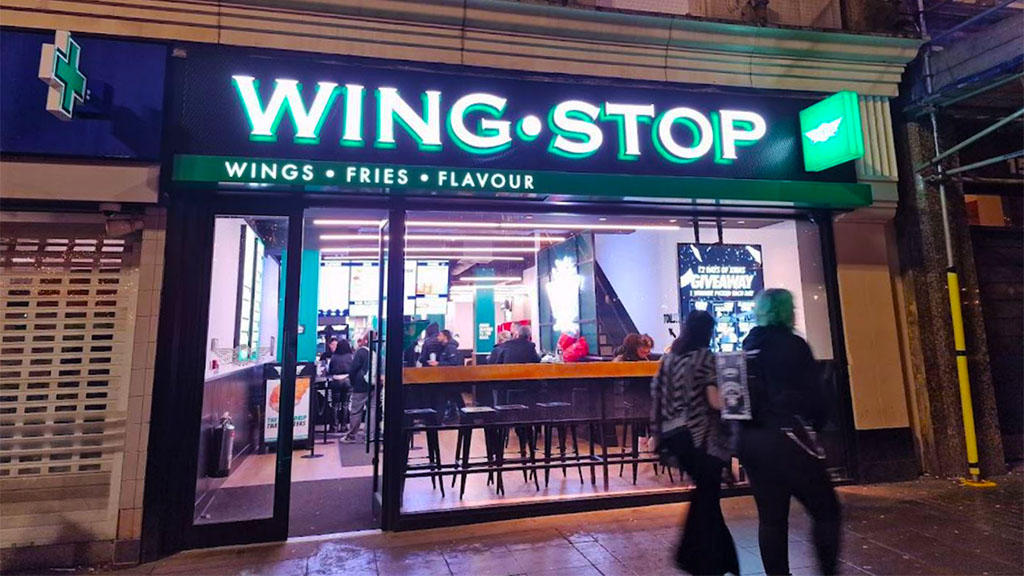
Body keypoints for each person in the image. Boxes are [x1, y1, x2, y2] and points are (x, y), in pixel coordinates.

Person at [740, 288, 841, 576]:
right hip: (789, 439)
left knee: (771, 519)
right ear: (786, 311)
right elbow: (815, 396)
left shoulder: (748, 345)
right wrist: (817, 427)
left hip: (753, 441)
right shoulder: (793, 345)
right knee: (826, 510)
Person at [649, 310, 739, 575]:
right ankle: (695, 558)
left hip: (674, 438)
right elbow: (714, 401)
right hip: (700, 437)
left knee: (707, 494)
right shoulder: (705, 358)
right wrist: (737, 401)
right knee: (707, 496)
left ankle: (720, 560)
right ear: (707, 332)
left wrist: (658, 436)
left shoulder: (668, 359)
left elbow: (656, 397)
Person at [342, 332, 372, 443]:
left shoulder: (361, 352)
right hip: (373, 384)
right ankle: (369, 435)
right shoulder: (377, 352)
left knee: (356, 411)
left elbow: (353, 369)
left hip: (360, 385)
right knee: (372, 411)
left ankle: (352, 435)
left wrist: (353, 382)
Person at [320, 338, 353, 432]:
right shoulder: (350, 356)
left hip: (336, 380)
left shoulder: (334, 357)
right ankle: (344, 426)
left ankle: (334, 427)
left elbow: (330, 370)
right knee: (345, 404)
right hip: (347, 380)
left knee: (335, 405)